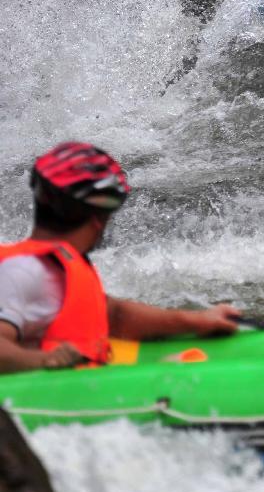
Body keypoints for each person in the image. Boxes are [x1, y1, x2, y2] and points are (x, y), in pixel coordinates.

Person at [0, 142, 242, 373]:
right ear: (99, 219)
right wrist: (45, 361)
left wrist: (197, 321)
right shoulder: (25, 271)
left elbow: (114, 315)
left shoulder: (62, 266)